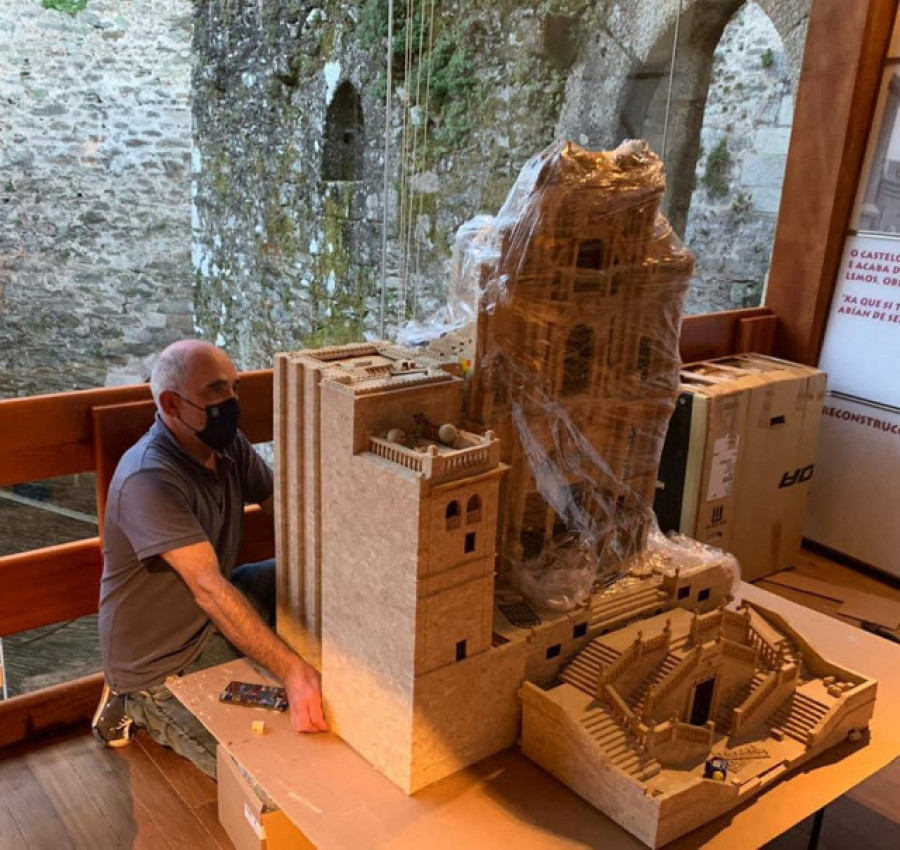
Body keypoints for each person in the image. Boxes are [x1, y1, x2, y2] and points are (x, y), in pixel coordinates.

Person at [92, 340, 327, 777]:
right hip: (165, 658)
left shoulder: (228, 445)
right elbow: (208, 589)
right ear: (171, 404)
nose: (231, 403)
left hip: (218, 599)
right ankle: (133, 700)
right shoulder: (148, 479)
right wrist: (295, 671)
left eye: (234, 388)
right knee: (271, 776)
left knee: (323, 584)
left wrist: (347, 561)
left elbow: (286, 509)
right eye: (216, 391)